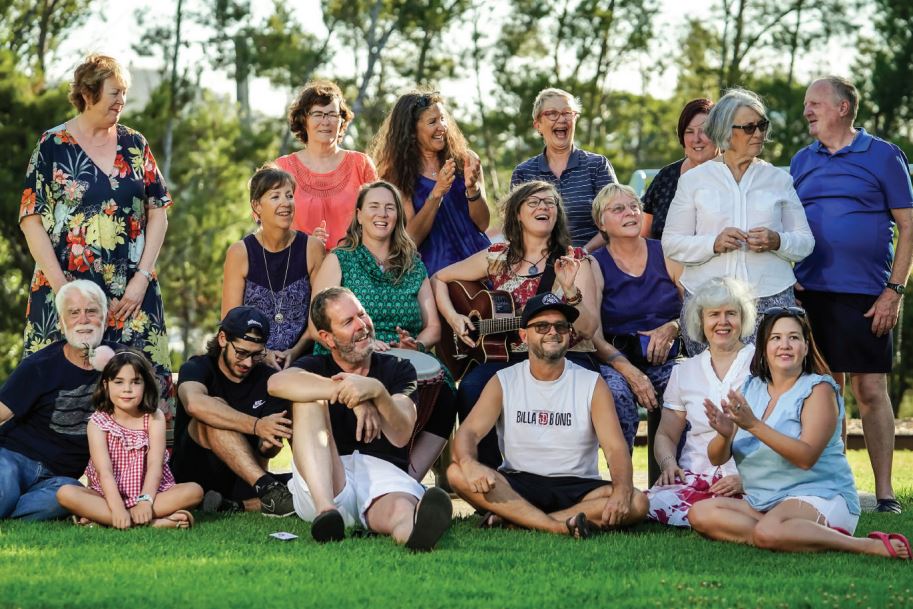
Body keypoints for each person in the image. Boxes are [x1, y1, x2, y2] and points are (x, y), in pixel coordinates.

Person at [19, 54, 175, 415]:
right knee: (57, 395)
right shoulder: (52, 145)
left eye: (124, 93)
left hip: (130, 293)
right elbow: (31, 219)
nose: (122, 101)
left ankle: (145, 469)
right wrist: (63, 290)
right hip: (67, 289)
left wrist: (142, 278)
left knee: (138, 389)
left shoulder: (135, 144)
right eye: (115, 93)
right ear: (89, 93)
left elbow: (159, 211)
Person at [689, 307, 911, 559]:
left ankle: (862, 544)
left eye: (794, 337)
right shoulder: (752, 387)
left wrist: (753, 425)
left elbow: (806, 457)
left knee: (768, 530)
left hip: (820, 495)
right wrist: (726, 435)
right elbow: (717, 458)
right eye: (776, 338)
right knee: (700, 513)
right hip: (767, 501)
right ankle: (787, 535)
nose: (785, 345)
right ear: (764, 347)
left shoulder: (819, 390)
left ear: (806, 347)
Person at [790, 76, 913, 514]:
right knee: (826, 389)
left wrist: (894, 291)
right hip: (809, 295)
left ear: (843, 108)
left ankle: (884, 494)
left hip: (867, 294)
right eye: (807, 104)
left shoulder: (884, 156)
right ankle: (836, 487)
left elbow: (909, 227)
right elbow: (786, 222)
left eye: (815, 103)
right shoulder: (801, 160)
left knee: (871, 389)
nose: (807, 111)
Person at [447, 293, 648, 537]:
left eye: (561, 326)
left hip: (578, 486)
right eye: (542, 326)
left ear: (569, 334)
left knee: (637, 502)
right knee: (456, 474)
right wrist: (469, 464)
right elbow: (468, 432)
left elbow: (615, 449)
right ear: (524, 335)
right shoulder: (504, 380)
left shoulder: (592, 383)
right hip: (518, 483)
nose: (553, 332)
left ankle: (520, 520)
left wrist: (622, 490)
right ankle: (557, 526)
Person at [268, 287, 453, 550]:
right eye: (347, 321)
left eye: (362, 315)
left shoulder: (398, 368)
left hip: (381, 478)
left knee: (401, 508)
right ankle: (326, 514)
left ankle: (413, 532)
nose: (362, 326)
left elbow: (401, 432)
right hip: (327, 479)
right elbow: (276, 382)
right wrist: (347, 392)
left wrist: (376, 391)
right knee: (307, 397)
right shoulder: (314, 367)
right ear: (328, 338)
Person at [433, 181, 598, 468]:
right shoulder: (498, 255)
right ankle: (485, 476)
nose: (543, 207)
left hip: (563, 355)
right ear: (517, 214)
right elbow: (439, 278)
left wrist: (570, 291)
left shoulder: (573, 260)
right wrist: (454, 317)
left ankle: (562, 473)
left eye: (549, 203)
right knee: (471, 387)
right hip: (508, 356)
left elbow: (587, 327)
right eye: (533, 202)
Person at [309, 181, 455, 479]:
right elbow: (315, 324)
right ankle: (340, 473)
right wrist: (360, 344)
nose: (382, 214)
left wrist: (417, 345)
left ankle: (408, 477)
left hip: (403, 357)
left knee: (447, 390)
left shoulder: (413, 264)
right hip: (350, 352)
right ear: (359, 215)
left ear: (398, 217)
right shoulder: (341, 259)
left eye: (390, 208)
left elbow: (434, 328)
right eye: (374, 207)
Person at [662, 87, 815, 355]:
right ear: (724, 130)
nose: (759, 134)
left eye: (762, 125)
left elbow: (805, 242)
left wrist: (777, 241)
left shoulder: (779, 180)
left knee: (769, 387)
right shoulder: (694, 181)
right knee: (712, 388)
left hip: (771, 299)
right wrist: (713, 243)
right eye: (749, 127)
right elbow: (672, 243)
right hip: (708, 304)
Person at [0, 280, 118, 520]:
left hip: (60, 477)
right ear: (61, 325)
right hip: (12, 458)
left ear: (105, 320)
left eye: (91, 311)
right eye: (73, 313)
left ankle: (11, 512)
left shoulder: (121, 365)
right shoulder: (39, 366)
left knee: (69, 497)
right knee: (4, 487)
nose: (83, 319)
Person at [645, 277, 755, 527]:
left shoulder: (761, 364)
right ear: (701, 321)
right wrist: (668, 465)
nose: (723, 322)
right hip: (695, 477)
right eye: (714, 314)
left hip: (748, 480)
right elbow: (665, 435)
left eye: (731, 313)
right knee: (646, 505)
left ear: (743, 318)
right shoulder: (685, 371)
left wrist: (749, 478)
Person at [170, 307, 296, 517]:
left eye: (256, 355)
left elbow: (267, 450)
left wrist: (268, 446)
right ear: (222, 339)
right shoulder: (197, 367)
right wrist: (257, 426)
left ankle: (234, 506)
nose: (247, 362)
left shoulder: (269, 380)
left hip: (244, 477)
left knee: (306, 484)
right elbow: (194, 404)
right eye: (241, 352)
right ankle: (269, 490)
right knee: (213, 409)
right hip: (194, 475)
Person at [56, 351, 203, 528]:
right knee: (65, 493)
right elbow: (105, 472)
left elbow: (155, 465)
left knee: (194, 491)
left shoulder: (154, 417)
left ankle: (107, 520)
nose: (127, 389)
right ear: (106, 385)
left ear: (145, 385)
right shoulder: (98, 422)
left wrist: (145, 502)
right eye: (119, 382)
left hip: (151, 493)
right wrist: (117, 507)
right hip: (107, 496)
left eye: (135, 382)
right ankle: (155, 522)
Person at [589, 183, 684, 454]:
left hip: (667, 357)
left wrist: (673, 327)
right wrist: (630, 371)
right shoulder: (594, 264)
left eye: (634, 207)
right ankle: (624, 485)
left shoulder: (665, 252)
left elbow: (695, 308)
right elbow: (592, 335)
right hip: (617, 359)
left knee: (686, 387)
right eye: (618, 209)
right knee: (615, 394)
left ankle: (682, 480)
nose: (629, 213)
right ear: (601, 223)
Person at [371, 89, 490, 275]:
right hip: (436, 276)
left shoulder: (466, 161)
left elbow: (483, 224)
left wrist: (472, 188)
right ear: (411, 130)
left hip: (481, 267)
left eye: (443, 119)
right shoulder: (396, 176)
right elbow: (410, 239)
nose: (442, 127)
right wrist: (437, 193)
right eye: (432, 122)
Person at [222, 164, 325, 369]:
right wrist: (263, 353)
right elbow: (231, 321)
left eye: (289, 195)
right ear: (257, 206)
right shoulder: (239, 253)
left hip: (303, 356)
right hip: (251, 358)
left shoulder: (311, 247)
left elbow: (320, 313)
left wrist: (294, 352)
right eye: (275, 196)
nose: (285, 203)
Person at [511, 87, 618, 252]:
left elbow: (614, 220)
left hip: (593, 258)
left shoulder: (597, 165)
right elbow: (514, 229)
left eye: (568, 113)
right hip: (540, 262)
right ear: (538, 125)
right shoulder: (523, 172)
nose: (561, 119)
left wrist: (583, 252)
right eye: (552, 113)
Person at [275, 80, 378, 250]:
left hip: (353, 270)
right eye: (317, 114)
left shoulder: (361, 165)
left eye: (332, 114)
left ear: (341, 120)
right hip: (297, 268)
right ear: (303, 119)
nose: (326, 121)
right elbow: (268, 225)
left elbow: (379, 218)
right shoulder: (282, 168)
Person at [642, 98, 717, 239]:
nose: (696, 139)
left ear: (719, 134)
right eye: (689, 131)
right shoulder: (665, 177)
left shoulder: (734, 176)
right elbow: (645, 237)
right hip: (663, 260)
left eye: (705, 131)